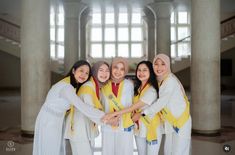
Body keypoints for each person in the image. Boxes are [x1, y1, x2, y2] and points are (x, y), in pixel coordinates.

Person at [32, 60, 107, 155]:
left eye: (87, 73)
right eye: (81, 71)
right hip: (49, 120)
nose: (83, 75)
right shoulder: (66, 87)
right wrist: (105, 117)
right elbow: (82, 107)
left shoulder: (72, 85)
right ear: (73, 71)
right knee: (49, 148)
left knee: (54, 147)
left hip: (56, 119)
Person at [103, 60, 162, 155]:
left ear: (150, 72)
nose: (141, 73)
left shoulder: (152, 90)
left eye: (145, 70)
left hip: (151, 127)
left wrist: (114, 114)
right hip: (139, 127)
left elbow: (133, 107)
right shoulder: (137, 88)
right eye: (139, 70)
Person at [142, 54, 192, 155]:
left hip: (180, 122)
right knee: (169, 151)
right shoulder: (161, 80)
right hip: (170, 122)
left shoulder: (170, 81)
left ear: (168, 65)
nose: (159, 67)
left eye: (163, 64)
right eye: (156, 64)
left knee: (179, 151)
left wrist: (143, 113)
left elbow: (161, 102)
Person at [64, 61, 110, 155]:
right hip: (79, 128)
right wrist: (108, 120)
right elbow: (90, 111)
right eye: (101, 70)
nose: (104, 74)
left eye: (107, 71)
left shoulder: (96, 87)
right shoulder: (88, 87)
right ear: (94, 71)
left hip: (84, 127)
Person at [101, 57, 134, 155]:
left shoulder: (129, 84)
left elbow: (131, 104)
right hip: (107, 124)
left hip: (125, 124)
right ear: (111, 68)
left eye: (122, 69)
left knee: (125, 152)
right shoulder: (104, 84)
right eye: (116, 67)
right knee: (107, 152)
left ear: (125, 71)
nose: (118, 71)